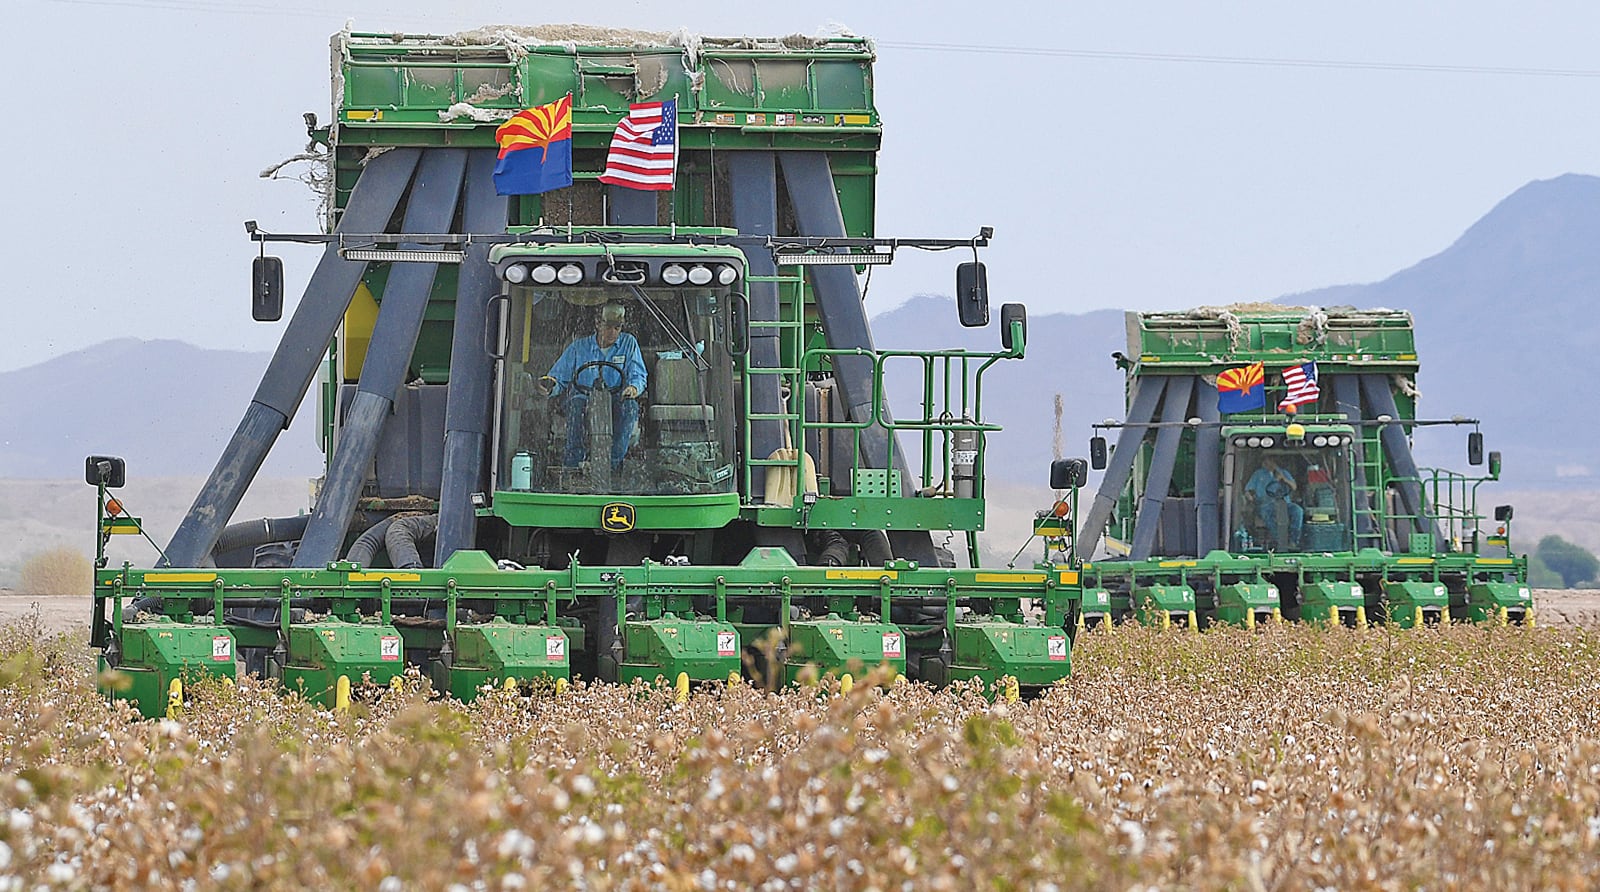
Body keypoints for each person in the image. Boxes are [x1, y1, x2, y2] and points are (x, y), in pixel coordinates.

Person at [537, 304, 647, 468]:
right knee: (576, 405)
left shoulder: (629, 343)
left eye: (617, 327)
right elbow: (558, 377)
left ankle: (613, 464)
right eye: (608, 327)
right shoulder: (578, 347)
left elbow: (638, 374)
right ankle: (573, 464)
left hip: (616, 397)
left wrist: (633, 388)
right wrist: (550, 385)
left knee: (630, 408)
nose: (613, 332)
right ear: (597, 324)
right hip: (583, 396)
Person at [1245, 455, 1303, 549]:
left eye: (1273, 460)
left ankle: (1293, 541)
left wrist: (1283, 479)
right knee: (1266, 513)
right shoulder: (1258, 474)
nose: (1270, 462)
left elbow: (1294, 487)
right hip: (1266, 504)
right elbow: (1248, 490)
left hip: (1285, 503)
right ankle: (1280, 541)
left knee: (1298, 511)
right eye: (1268, 460)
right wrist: (1251, 499)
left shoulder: (1283, 472)